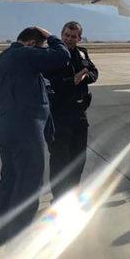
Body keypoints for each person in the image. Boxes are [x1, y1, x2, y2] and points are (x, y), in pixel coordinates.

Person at [0, 26, 70, 247]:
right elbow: (62, 56)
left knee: (10, 177)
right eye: (42, 47)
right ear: (32, 44)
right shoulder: (25, 54)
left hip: (5, 124)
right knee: (29, 181)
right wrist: (51, 37)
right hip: (26, 128)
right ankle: (19, 236)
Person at [45, 21, 98, 200]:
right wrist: (72, 81)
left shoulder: (82, 52)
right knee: (60, 160)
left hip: (79, 114)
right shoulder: (52, 55)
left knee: (78, 158)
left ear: (79, 38)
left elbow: (94, 72)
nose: (69, 39)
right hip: (59, 115)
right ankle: (59, 197)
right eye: (66, 35)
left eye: (73, 36)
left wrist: (85, 77)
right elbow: (49, 83)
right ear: (61, 34)